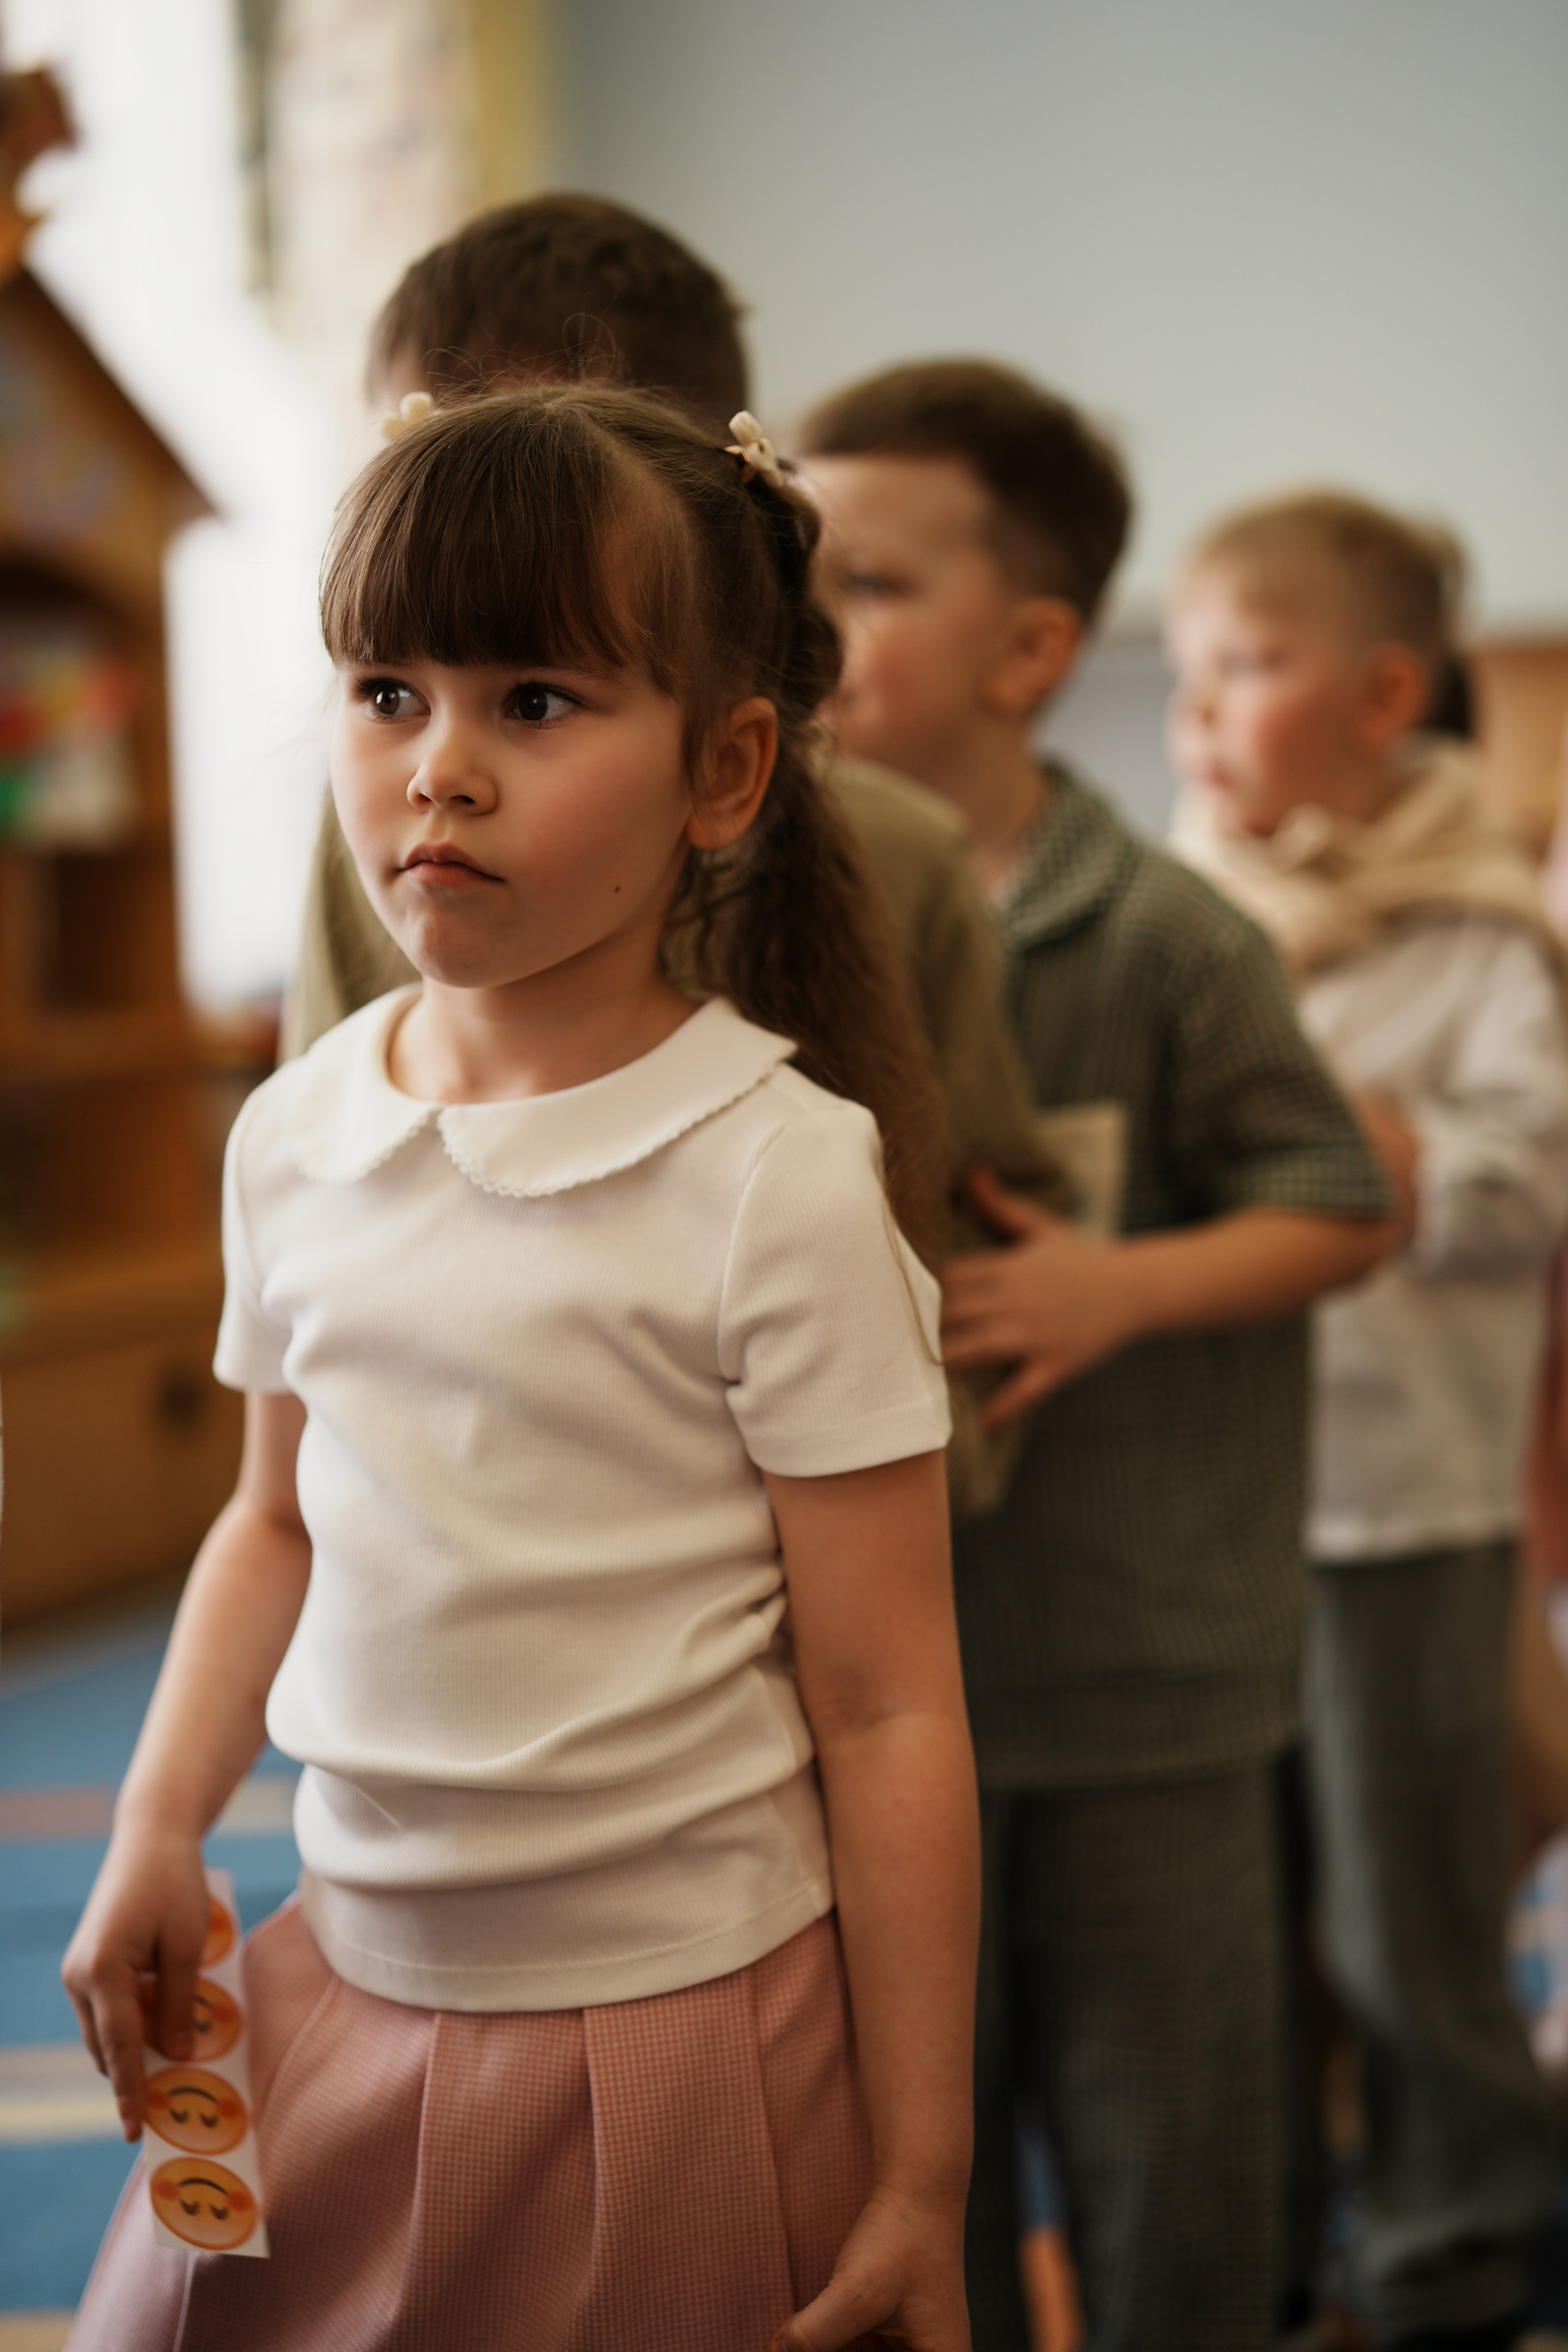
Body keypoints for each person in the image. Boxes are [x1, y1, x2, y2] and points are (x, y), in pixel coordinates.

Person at [61, 388, 979, 2352]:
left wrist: (923, 2176)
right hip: (341, 1983)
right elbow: (272, 1524)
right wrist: (154, 1828)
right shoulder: (297, 1131)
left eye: (535, 703)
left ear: (726, 771)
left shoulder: (778, 1175)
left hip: (676, 2032)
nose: (439, 772)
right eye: (386, 692)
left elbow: (892, 1706)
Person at [797, 360, 1394, 2352]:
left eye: (867, 583)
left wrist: (1118, 1287)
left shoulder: (1159, 938)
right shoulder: (773, 928)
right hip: (877, 1725)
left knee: (1177, 2199)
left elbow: (1342, 1192)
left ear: (1033, 651)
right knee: (902, 2204)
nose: (808, 620)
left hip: (1146, 1701)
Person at [283, 195, 1060, 1512]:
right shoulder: (373, 837)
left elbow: (970, 1223)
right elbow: (330, 1181)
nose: (439, 770)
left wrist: (865, 1495)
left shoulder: (897, 858)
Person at [1168, 491, 1568, 2352]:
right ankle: (1264, 2244)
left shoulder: (1483, 936)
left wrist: (1403, 1168)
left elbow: (1535, 1177)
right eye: (1187, 677)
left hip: (1407, 1500)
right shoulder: (1189, 917)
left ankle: (1455, 2257)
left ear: (1383, 695)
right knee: (1239, 1930)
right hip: (1218, 1505)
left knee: (1411, 1918)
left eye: (1243, 670)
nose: (1199, 716)